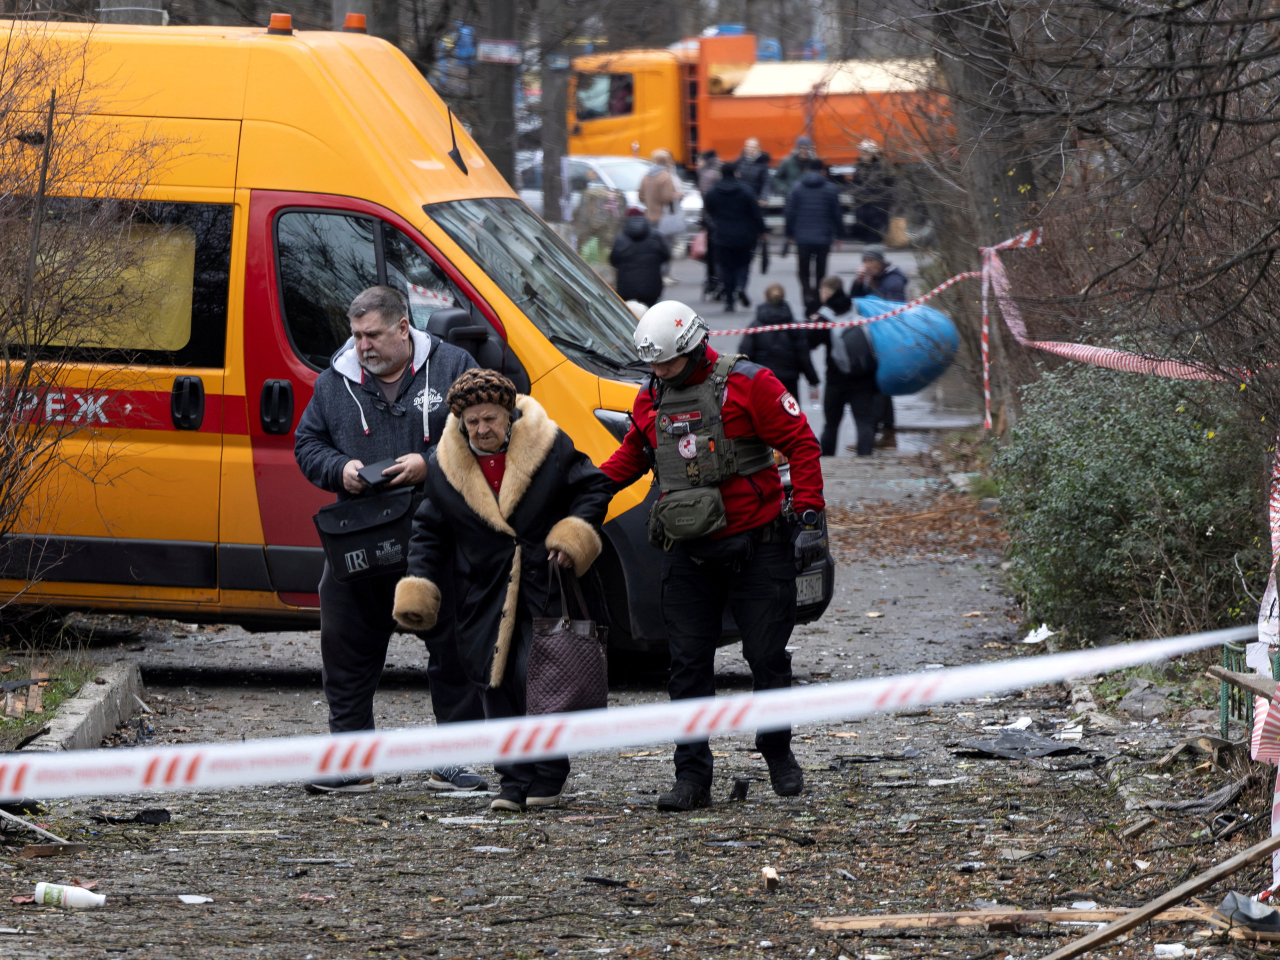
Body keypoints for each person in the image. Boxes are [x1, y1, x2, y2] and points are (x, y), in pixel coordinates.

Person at [600, 301, 827, 812]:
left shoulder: (752, 384)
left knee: (766, 658)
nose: (658, 374)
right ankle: (692, 776)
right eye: (652, 366)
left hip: (759, 550)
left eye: (667, 364)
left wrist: (808, 515)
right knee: (686, 667)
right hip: (688, 556)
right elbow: (632, 456)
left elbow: (802, 444)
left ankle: (777, 751)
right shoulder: (652, 397)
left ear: (695, 347)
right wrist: (584, 496)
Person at [294, 285, 486, 794]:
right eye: (356, 336)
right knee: (345, 647)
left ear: (403, 328)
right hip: (357, 535)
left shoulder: (453, 366)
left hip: (437, 535)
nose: (363, 347)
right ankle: (351, 762)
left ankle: (455, 760)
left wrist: (432, 464)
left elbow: (488, 430)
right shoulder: (335, 382)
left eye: (373, 335)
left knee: (453, 648)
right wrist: (342, 470)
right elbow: (307, 443)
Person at [393, 370, 614, 812]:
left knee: (539, 678)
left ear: (509, 415)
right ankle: (512, 780)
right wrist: (419, 585)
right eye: (472, 421)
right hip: (483, 591)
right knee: (493, 684)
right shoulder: (444, 466)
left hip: (544, 584)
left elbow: (594, 487)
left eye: (490, 419)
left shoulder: (549, 446)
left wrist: (570, 538)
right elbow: (428, 530)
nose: (482, 429)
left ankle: (548, 775)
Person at [848, 245, 908, 449]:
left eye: (871, 262)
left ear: (880, 262)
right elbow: (854, 301)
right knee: (881, 388)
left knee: (877, 389)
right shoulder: (875, 279)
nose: (867, 265)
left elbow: (885, 308)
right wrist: (858, 282)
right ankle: (887, 433)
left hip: (887, 340)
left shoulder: (893, 281)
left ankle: (873, 435)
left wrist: (870, 285)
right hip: (874, 337)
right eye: (865, 262)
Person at [814, 275, 878, 457]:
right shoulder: (859, 308)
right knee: (864, 422)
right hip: (865, 377)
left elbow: (810, 343)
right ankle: (866, 461)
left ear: (826, 293)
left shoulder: (824, 317)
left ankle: (827, 461)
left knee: (831, 425)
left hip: (836, 379)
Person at [702, 162, 765, 312]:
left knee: (726, 268)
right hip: (744, 234)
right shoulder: (746, 191)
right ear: (736, 173)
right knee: (743, 264)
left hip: (721, 235)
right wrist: (761, 230)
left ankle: (729, 301)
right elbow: (756, 213)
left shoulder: (713, 192)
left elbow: (708, 212)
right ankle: (741, 286)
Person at [740, 283, 821, 399]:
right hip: (789, 382)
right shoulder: (794, 327)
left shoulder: (756, 326)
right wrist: (813, 381)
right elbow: (804, 357)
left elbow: (744, 355)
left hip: (762, 381)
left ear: (765, 297)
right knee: (789, 415)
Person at [784, 160, 843, 300]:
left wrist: (789, 233)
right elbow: (837, 214)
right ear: (823, 171)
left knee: (803, 268)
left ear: (807, 170)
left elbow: (790, 212)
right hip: (823, 237)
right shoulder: (831, 189)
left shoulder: (797, 188)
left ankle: (806, 291)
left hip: (802, 236)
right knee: (820, 269)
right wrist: (839, 235)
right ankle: (818, 293)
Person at [610, 209, 671, 307]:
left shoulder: (621, 238)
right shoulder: (656, 236)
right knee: (650, 314)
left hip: (626, 288)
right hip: (651, 286)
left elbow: (614, 260)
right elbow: (666, 255)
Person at [697, 150, 723, 298]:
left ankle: (712, 281)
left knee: (712, 253)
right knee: (719, 254)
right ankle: (719, 282)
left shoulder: (705, 173)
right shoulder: (717, 171)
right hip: (720, 218)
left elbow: (704, 196)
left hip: (709, 219)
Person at [772, 135, 820, 200]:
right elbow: (776, 178)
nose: (804, 151)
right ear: (797, 148)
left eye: (806, 148)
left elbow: (819, 179)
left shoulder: (812, 163)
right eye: (802, 148)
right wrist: (785, 190)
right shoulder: (787, 162)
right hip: (792, 199)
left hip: (809, 199)